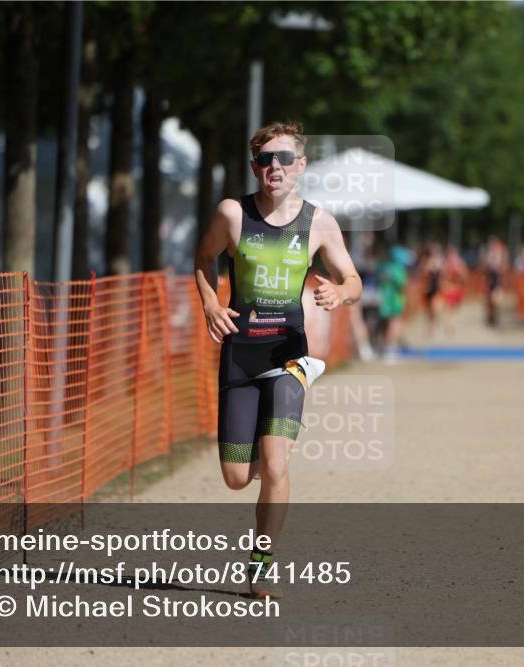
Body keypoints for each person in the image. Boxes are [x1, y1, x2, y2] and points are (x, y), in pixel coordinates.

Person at [194, 121, 362, 598]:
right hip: (240, 356)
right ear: (255, 167)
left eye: (285, 159)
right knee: (235, 476)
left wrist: (340, 291)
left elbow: (353, 279)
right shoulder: (232, 214)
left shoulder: (319, 223)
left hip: (289, 355)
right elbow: (203, 258)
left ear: (300, 166)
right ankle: (261, 480)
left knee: (276, 463)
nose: (276, 167)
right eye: (267, 160)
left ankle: (262, 564)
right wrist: (210, 302)